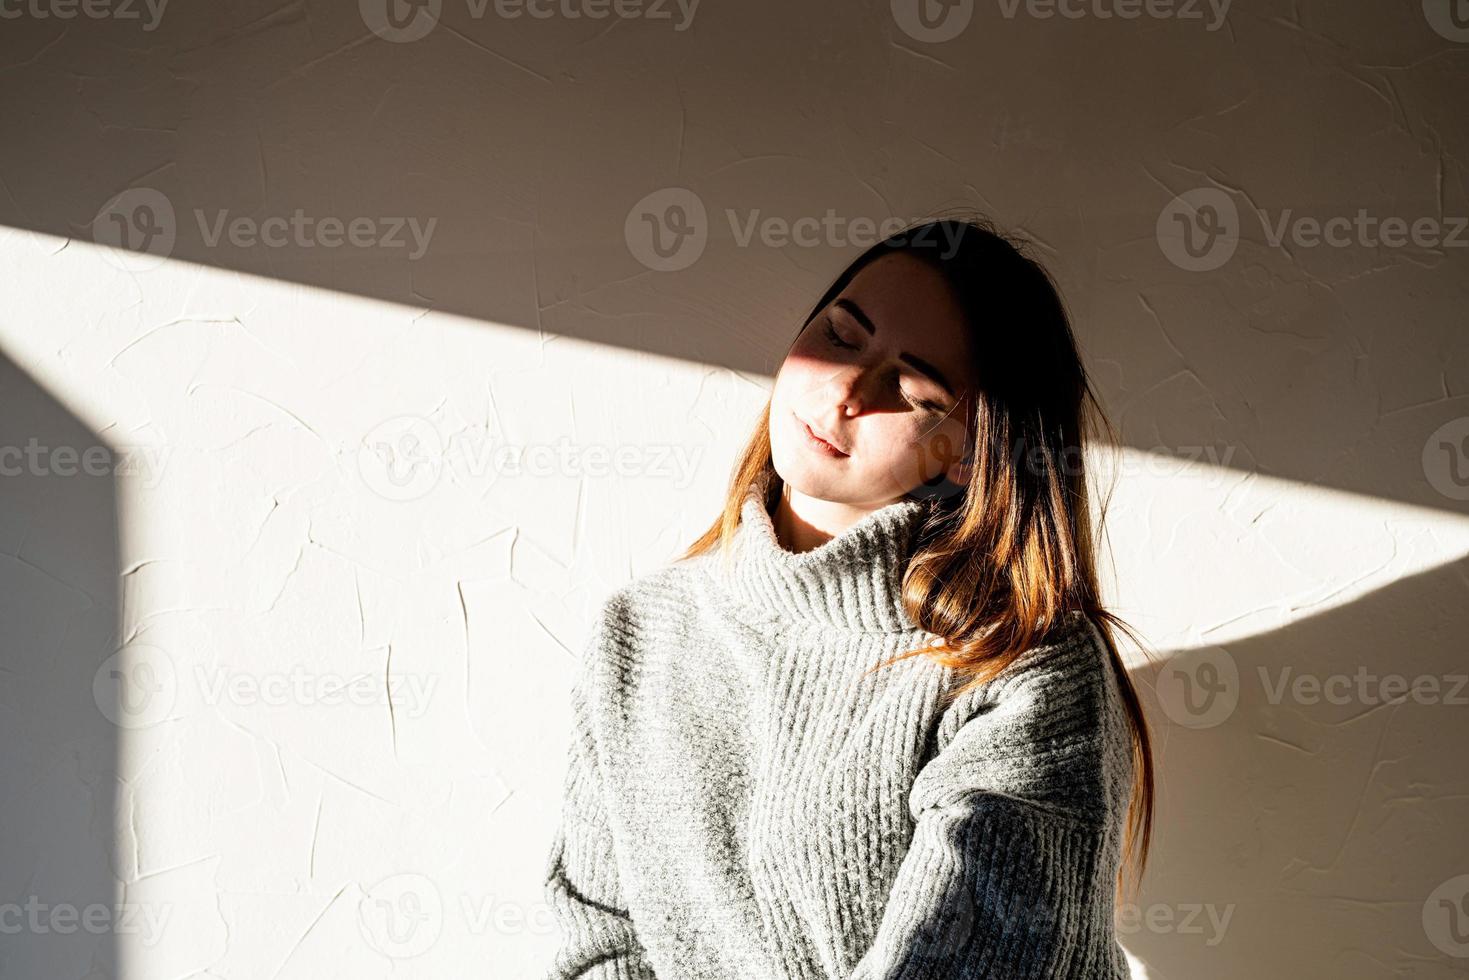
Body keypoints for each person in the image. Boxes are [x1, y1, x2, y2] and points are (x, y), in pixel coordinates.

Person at [540, 214, 1156, 979]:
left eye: (909, 385)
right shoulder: (639, 631)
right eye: (839, 334)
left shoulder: (1022, 668)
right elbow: (595, 933)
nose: (845, 392)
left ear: (969, 452)